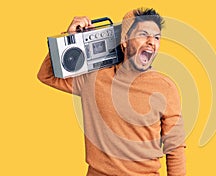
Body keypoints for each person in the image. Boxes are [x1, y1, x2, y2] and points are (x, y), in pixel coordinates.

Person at [38, 7, 186, 176]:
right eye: (143, 34)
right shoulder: (93, 78)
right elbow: (46, 75)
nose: (152, 41)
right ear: (124, 41)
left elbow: (175, 148)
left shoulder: (166, 88)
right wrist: (69, 38)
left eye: (157, 37)